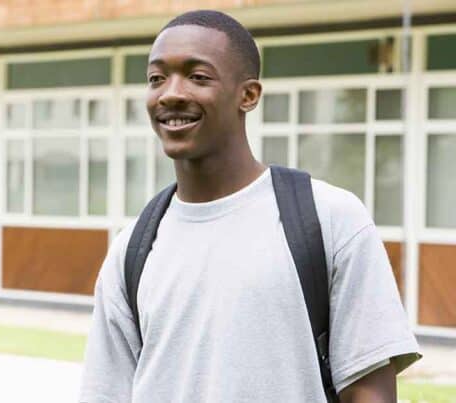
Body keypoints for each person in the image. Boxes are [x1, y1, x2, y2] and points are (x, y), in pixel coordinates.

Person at [79, 9, 420, 403]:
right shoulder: (132, 249)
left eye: (198, 76)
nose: (170, 93)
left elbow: (370, 393)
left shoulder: (330, 219)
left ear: (249, 95)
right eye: (157, 78)